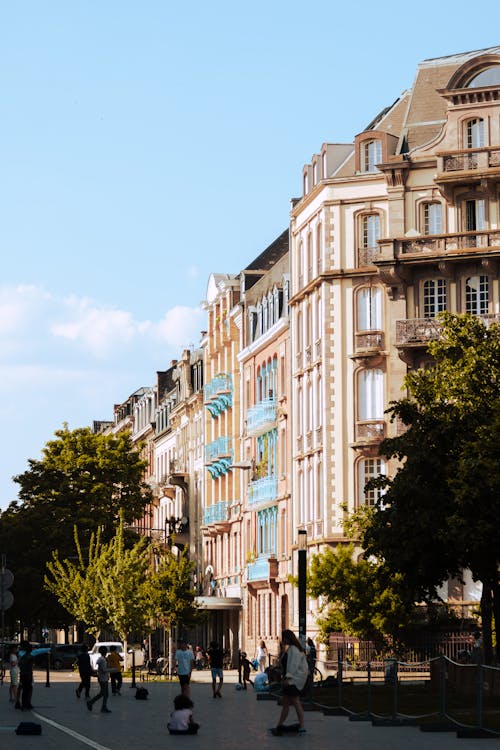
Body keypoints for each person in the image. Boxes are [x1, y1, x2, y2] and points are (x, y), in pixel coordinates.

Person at [273, 630, 309, 735]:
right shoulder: (291, 649)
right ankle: (279, 725)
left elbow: (293, 666)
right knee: (286, 704)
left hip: (292, 681)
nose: (282, 640)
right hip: (290, 680)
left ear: (287, 638)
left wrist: (288, 679)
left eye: (283, 638)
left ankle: (302, 726)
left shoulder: (294, 649)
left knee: (295, 702)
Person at [87, 646, 112, 713]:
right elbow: (104, 669)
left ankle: (103, 706)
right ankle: (91, 702)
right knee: (103, 693)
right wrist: (112, 670)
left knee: (105, 693)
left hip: (103, 678)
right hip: (102, 678)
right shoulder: (102, 660)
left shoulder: (103, 659)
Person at [18, 640, 34, 711]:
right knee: (28, 689)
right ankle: (26, 703)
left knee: (24, 689)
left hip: (23, 674)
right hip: (28, 674)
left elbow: (20, 664)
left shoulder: (22, 655)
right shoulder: (30, 656)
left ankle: (23, 703)